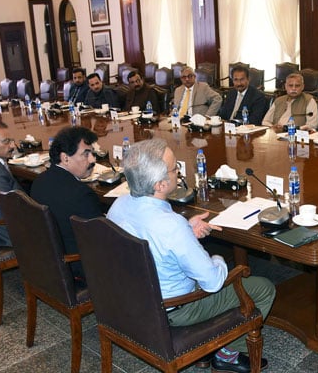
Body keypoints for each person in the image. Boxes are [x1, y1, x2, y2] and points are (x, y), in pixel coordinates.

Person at [107, 138, 276, 373]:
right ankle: (226, 354)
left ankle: (205, 351)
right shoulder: (170, 226)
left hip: (133, 298)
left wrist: (186, 230)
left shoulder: (119, 205)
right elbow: (213, 282)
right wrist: (217, 259)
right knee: (262, 287)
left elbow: (153, 238)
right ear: (160, 184)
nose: (178, 172)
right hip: (174, 309)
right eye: (174, 168)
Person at [31, 127, 109, 280]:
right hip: (77, 265)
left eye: (92, 153)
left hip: (48, 259)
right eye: (86, 154)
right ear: (65, 158)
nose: (93, 159)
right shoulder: (81, 194)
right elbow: (101, 238)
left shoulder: (39, 181)